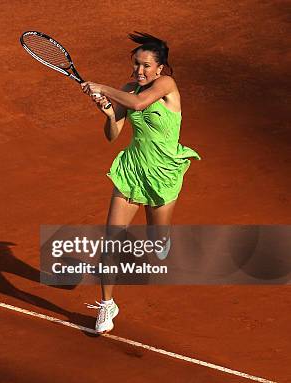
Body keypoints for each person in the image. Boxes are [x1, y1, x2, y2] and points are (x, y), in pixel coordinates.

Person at [81, 32, 201, 334]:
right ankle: (107, 305)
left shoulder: (166, 86)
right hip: (133, 170)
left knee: (157, 241)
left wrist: (102, 88)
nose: (139, 71)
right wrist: (108, 113)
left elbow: (138, 104)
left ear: (160, 68)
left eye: (146, 65)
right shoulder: (128, 88)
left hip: (163, 172)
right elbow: (113, 134)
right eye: (136, 64)